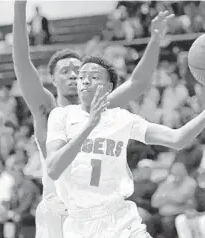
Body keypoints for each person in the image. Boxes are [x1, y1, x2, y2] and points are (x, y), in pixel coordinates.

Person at [13, 1, 172, 237]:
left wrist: (155, 40)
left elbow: (138, 83)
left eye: (78, 70)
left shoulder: (101, 107)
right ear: (52, 79)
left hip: (98, 213)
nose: (73, 74)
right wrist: (19, 6)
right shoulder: (47, 109)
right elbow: (22, 64)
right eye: (64, 71)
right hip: (58, 210)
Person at [45, 53, 205, 237]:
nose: (85, 80)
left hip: (120, 219)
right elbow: (53, 169)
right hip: (80, 224)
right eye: (82, 76)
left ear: (108, 87)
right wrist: (89, 126)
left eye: (95, 76)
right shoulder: (61, 116)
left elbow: (179, 139)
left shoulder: (122, 119)